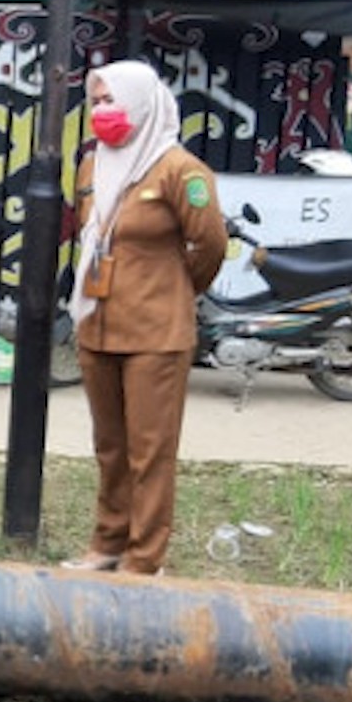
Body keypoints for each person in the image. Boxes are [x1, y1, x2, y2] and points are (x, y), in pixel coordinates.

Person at [62, 60, 225, 575]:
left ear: (142, 104)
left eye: (113, 100)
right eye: (98, 102)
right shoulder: (93, 165)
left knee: (149, 452)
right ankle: (108, 541)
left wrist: (174, 289)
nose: (103, 112)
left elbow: (210, 245)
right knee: (109, 447)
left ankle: (144, 556)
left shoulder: (180, 170)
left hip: (156, 332)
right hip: (97, 325)